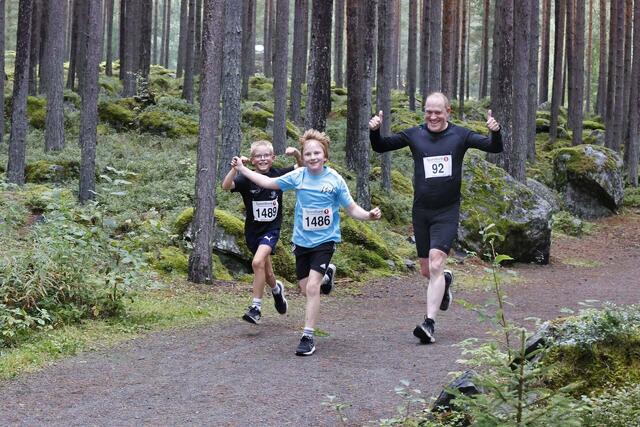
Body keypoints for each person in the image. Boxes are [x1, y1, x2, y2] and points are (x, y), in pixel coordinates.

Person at [232, 129, 382, 356]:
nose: (312, 157)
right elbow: (268, 181)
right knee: (305, 289)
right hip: (302, 242)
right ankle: (327, 275)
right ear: (304, 157)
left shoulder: (335, 180)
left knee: (312, 288)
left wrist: (368, 215)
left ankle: (307, 336)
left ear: (325, 156)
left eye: (317, 153)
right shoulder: (298, 176)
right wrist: (242, 169)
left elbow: (351, 208)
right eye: (308, 154)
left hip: (325, 241)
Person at [369, 91, 502, 344]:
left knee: (437, 262)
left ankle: (429, 323)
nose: (432, 116)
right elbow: (381, 146)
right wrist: (374, 130)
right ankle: (445, 282)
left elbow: (494, 147)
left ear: (448, 112)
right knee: (426, 270)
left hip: (447, 210)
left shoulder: (460, 135)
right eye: (428, 111)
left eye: (438, 112)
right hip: (421, 211)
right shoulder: (414, 134)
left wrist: (495, 131)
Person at [221, 140, 302, 325]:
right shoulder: (246, 178)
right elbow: (226, 186)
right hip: (252, 232)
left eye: (266, 155)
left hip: (271, 230)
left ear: (273, 158)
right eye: (258, 156)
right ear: (252, 160)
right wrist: (235, 168)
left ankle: (256, 308)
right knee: (266, 271)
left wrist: (297, 154)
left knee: (256, 262)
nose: (263, 159)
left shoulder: (279, 174)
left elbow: (301, 167)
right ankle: (276, 290)